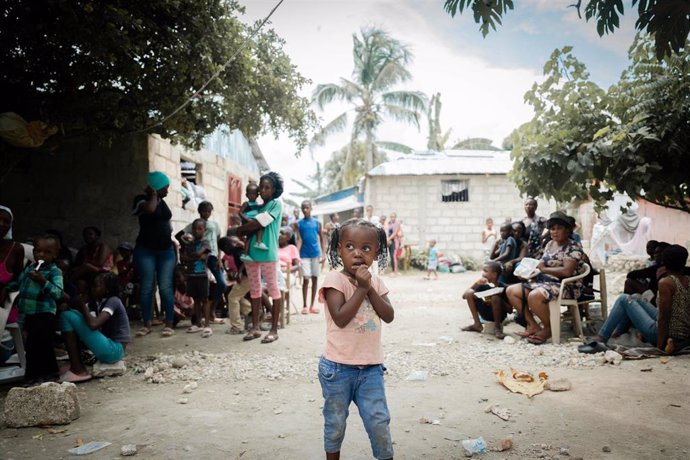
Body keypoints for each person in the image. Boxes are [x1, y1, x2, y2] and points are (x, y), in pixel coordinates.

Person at [318, 218, 394, 460]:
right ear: (339, 249)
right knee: (336, 422)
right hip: (338, 369)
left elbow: (389, 315)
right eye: (350, 246)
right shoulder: (334, 281)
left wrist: (368, 286)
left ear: (376, 252)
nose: (358, 253)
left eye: (366, 248)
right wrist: (361, 289)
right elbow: (340, 318)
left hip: (371, 369)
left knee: (379, 422)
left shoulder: (377, 283)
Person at [580, 245, 690, 354]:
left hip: (665, 332)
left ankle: (602, 336)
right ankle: (618, 332)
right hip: (682, 331)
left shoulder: (666, 282)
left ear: (664, 262)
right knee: (636, 297)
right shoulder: (687, 280)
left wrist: (659, 347)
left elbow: (663, 318)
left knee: (624, 299)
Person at [506, 211, 586, 344]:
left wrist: (544, 269)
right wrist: (529, 273)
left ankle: (548, 328)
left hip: (565, 286)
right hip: (545, 282)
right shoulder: (550, 244)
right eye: (552, 228)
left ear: (567, 230)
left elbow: (567, 272)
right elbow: (542, 263)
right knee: (512, 291)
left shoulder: (573, 247)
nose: (555, 232)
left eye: (559, 228)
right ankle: (533, 326)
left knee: (534, 296)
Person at [236, 171, 284, 344]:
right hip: (252, 254)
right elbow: (249, 222)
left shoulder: (275, 205)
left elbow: (259, 223)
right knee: (255, 289)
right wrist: (243, 229)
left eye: (267, 188)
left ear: (274, 190)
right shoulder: (256, 206)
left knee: (273, 288)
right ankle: (255, 328)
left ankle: (274, 329)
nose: (263, 191)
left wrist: (240, 230)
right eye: (261, 187)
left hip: (268, 252)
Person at [59, 272, 131, 383]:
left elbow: (94, 324)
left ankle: (78, 370)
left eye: (96, 286)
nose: (92, 289)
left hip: (114, 350)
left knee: (67, 316)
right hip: (110, 347)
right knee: (71, 313)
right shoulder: (98, 302)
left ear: (107, 289)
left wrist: (82, 306)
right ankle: (76, 365)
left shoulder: (113, 301)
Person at [13, 234, 64, 383]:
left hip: (44, 314)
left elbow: (58, 293)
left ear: (55, 254)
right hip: (28, 313)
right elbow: (19, 283)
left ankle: (34, 376)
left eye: (47, 252)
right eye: (37, 251)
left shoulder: (54, 271)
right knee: (34, 345)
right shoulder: (29, 268)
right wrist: (6, 289)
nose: (40, 255)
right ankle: (49, 373)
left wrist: (43, 281)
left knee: (40, 344)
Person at [132, 171, 176, 338]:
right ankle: (147, 323)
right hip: (146, 251)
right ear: (157, 188)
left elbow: (166, 222)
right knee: (147, 287)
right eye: (165, 188)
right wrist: (153, 194)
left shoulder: (162, 202)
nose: (167, 191)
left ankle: (169, 323)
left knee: (165, 287)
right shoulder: (141, 200)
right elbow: (150, 210)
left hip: (166, 251)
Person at [177, 201, 225, 323]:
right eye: (204, 211)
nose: (207, 213)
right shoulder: (195, 224)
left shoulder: (214, 224)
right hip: (199, 258)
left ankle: (212, 310)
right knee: (201, 284)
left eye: (209, 211)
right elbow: (179, 236)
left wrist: (220, 258)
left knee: (221, 283)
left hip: (212, 256)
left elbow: (218, 242)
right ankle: (199, 316)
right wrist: (187, 245)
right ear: (199, 211)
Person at [178, 218, 213, 338]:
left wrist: (192, 256)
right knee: (196, 301)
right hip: (191, 276)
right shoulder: (189, 244)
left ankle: (207, 324)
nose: (196, 231)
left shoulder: (205, 242)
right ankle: (198, 323)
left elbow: (200, 255)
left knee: (204, 300)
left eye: (200, 229)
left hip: (202, 276)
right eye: (194, 228)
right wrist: (196, 256)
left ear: (204, 230)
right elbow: (184, 258)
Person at [461, 261, 513, 339]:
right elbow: (464, 296)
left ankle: (497, 328)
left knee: (495, 297)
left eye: (485, 271)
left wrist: (499, 299)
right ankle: (477, 324)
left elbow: (510, 310)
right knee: (470, 292)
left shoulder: (504, 287)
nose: (482, 273)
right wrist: (476, 284)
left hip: (499, 315)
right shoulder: (482, 285)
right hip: (485, 313)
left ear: (494, 274)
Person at [297, 200, 325, 315]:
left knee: (315, 279)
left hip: (315, 254)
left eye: (307, 208)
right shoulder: (299, 224)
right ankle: (304, 305)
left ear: (311, 208)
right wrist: (296, 255)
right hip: (304, 255)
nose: (305, 210)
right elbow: (299, 240)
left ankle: (312, 306)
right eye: (303, 208)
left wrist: (324, 253)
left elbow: (322, 239)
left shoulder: (317, 223)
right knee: (306, 279)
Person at [0, 205, 25, 308]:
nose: (1, 224)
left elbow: (19, 279)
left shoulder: (16, 249)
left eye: (6, 222)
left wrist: (7, 289)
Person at [239, 183, 266, 260]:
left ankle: (246, 253)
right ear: (246, 195)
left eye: (254, 194)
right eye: (250, 194)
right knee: (257, 229)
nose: (252, 196)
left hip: (253, 222)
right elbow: (240, 213)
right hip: (247, 222)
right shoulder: (246, 204)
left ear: (257, 195)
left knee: (250, 237)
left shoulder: (257, 204)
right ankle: (258, 242)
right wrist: (247, 220)